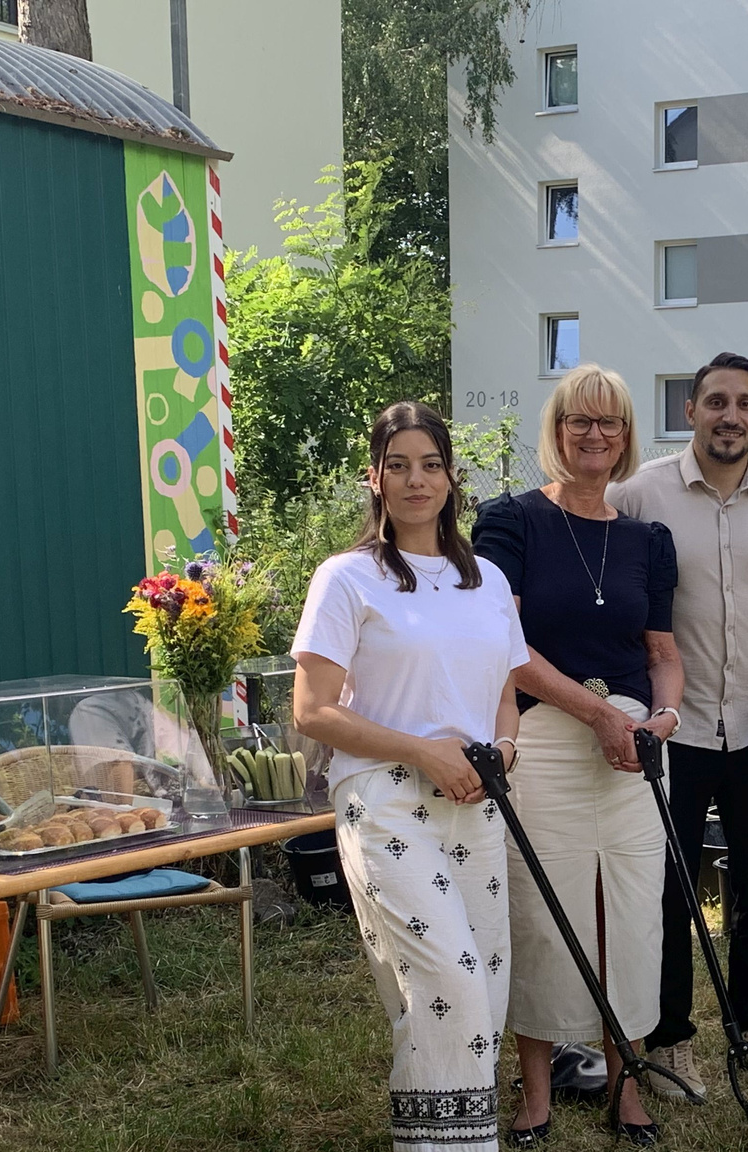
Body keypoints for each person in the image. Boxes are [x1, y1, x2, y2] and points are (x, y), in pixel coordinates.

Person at [292, 401, 528, 1152]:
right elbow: (313, 711)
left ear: (452, 477)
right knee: (446, 983)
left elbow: (504, 690)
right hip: (385, 801)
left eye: (430, 464)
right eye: (398, 465)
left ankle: (445, 1138)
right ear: (375, 478)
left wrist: (505, 747)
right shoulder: (347, 579)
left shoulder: (486, 578)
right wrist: (423, 751)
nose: (416, 480)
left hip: (476, 799)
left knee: (484, 989)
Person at [610, 351, 748, 1098]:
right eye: (715, 402)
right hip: (674, 734)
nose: (729, 415)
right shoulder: (639, 495)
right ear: (691, 411)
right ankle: (672, 1039)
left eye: (744, 403)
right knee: (668, 893)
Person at [470, 366, 681, 1145]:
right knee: (541, 914)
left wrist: (663, 716)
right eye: (578, 422)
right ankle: (536, 1095)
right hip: (550, 737)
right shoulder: (510, 521)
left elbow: (663, 650)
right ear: (556, 431)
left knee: (628, 914)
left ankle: (627, 1084)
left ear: (627, 435)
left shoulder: (647, 540)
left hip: (632, 744)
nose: (595, 436)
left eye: (611, 423)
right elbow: (503, 644)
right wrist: (594, 713)